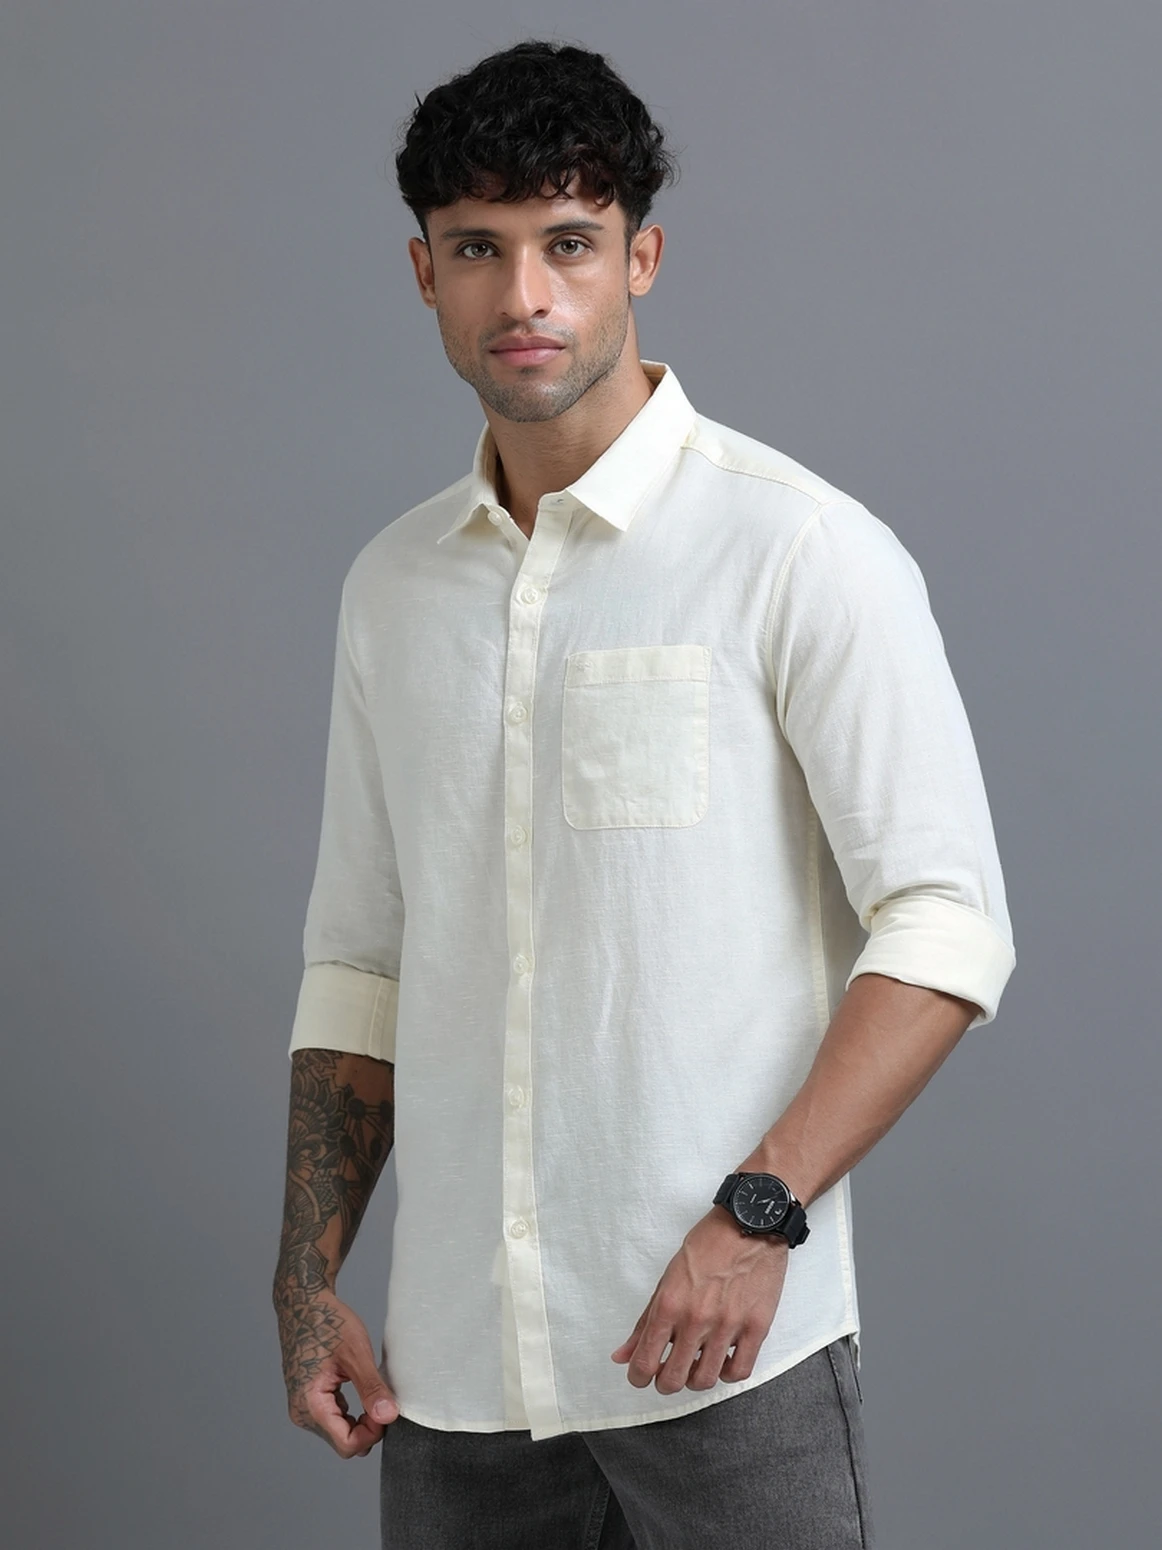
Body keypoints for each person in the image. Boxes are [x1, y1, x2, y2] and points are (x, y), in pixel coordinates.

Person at [272, 38, 1016, 1550]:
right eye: (476, 249)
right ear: (422, 273)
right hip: (456, 1376)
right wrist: (305, 1276)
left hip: (723, 1349)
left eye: (568, 242)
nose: (523, 295)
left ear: (641, 259)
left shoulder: (796, 549)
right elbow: (362, 959)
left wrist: (760, 1217)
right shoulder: (391, 589)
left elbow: (946, 923)